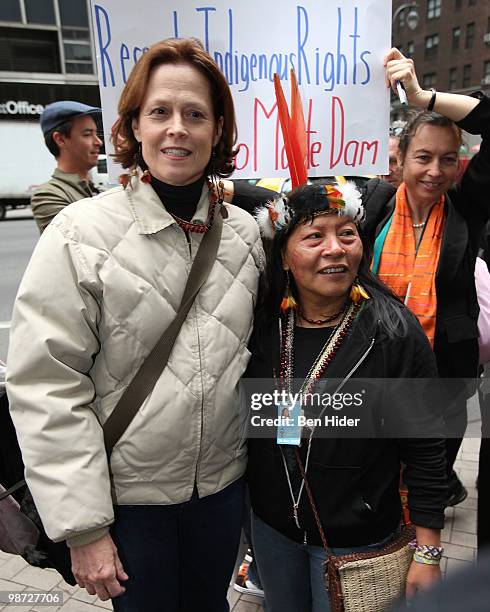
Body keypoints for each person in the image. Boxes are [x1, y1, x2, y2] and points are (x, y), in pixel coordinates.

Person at [7, 38, 264, 612]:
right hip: (128, 503)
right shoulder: (78, 234)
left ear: (218, 130)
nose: (178, 128)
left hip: (221, 494)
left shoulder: (247, 234)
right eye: (160, 112)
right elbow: (47, 387)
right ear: (133, 128)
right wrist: (84, 527)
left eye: (195, 114)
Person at [246, 182, 447, 612]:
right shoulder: (260, 327)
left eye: (347, 234)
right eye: (314, 236)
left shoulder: (394, 332)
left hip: (359, 539)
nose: (334, 249)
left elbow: (427, 446)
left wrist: (428, 552)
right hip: (271, 530)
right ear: (283, 254)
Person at [365, 48, 490, 507]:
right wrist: (228, 188)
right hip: (371, 383)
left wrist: (422, 96)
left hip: (443, 386)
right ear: (400, 157)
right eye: (423, 157)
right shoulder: (372, 205)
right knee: (375, 498)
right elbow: (300, 202)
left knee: (423, 497)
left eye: (447, 159)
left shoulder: (468, 209)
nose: (435, 172)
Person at [31, 101, 103, 233]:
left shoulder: (97, 191)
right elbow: (87, 239)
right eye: (87, 134)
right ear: (60, 139)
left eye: (96, 134)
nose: (98, 142)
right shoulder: (48, 195)